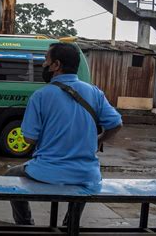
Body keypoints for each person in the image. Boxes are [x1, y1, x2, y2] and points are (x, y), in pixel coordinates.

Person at [6, 43, 123, 225]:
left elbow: (29, 138)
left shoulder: (40, 96)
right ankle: (70, 225)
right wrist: (98, 139)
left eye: (46, 60)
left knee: (11, 176)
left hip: (46, 172)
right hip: (86, 174)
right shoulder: (95, 92)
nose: (44, 64)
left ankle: (26, 225)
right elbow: (116, 124)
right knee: (86, 183)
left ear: (56, 65)